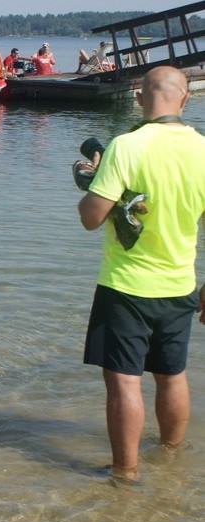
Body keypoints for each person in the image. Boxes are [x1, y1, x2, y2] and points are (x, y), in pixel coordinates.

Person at [77, 66, 205, 483]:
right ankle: (171, 456)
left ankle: (125, 474)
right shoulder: (203, 150)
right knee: (172, 374)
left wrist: (91, 183)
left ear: (138, 100)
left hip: (126, 287)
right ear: (186, 99)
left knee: (125, 383)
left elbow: (91, 219)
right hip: (180, 284)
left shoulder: (125, 146)